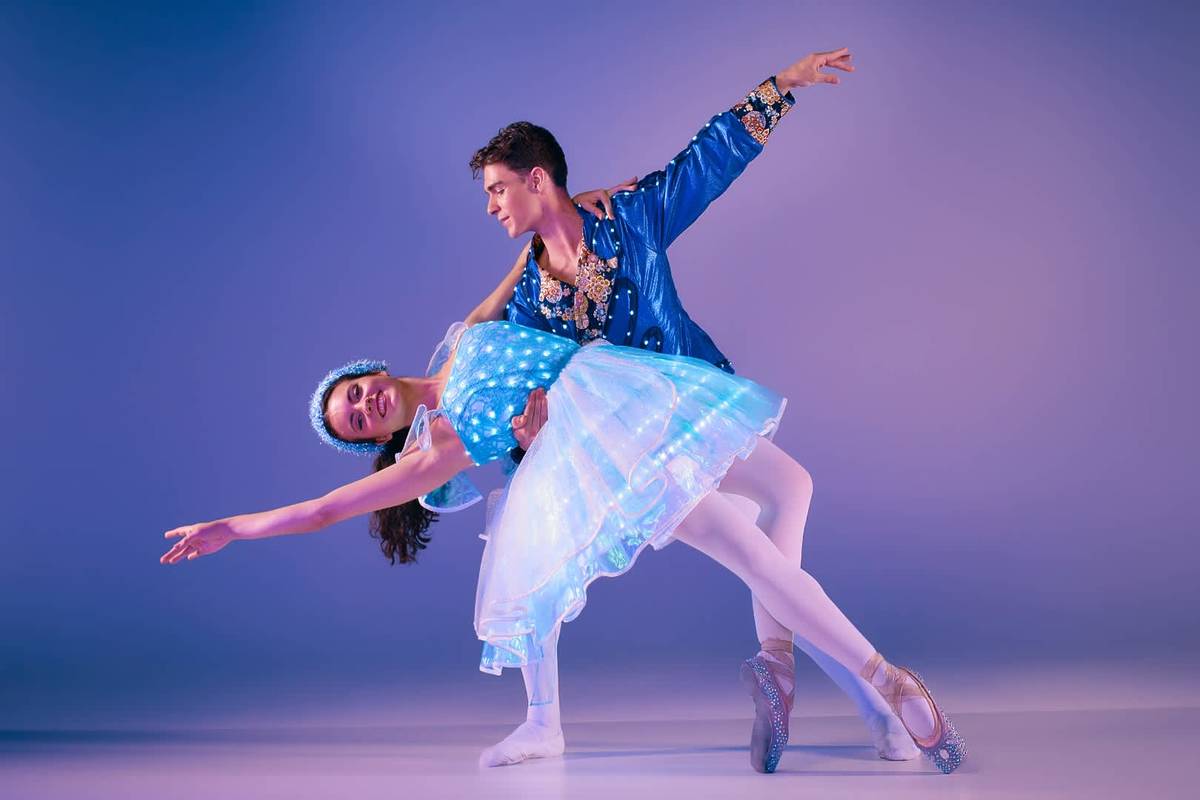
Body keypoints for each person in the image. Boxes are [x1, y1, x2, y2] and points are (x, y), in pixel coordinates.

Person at [160, 318, 967, 776]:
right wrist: (236, 527)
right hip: (615, 459)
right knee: (758, 558)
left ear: (369, 368)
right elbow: (328, 509)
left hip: (640, 401)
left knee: (790, 493)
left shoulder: (462, 334)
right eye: (357, 421)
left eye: (354, 393)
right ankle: (883, 687)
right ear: (377, 435)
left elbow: (534, 254)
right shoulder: (431, 451)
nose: (365, 405)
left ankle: (790, 665)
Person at [463, 46, 918, 768]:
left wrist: (782, 87)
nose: (490, 206)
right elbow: (484, 350)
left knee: (788, 504)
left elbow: (708, 161)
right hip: (639, 459)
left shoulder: (631, 218)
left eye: (497, 190)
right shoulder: (528, 300)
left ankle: (800, 676)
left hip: (699, 409)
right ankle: (873, 698)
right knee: (767, 564)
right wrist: (528, 421)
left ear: (537, 179)